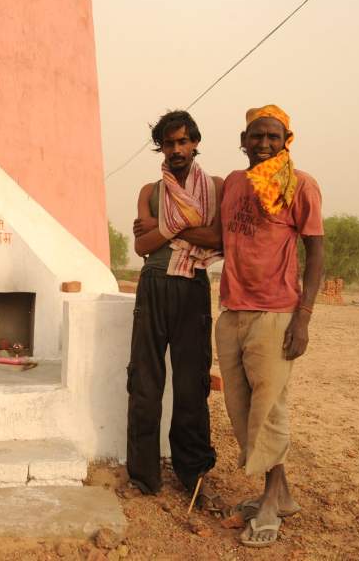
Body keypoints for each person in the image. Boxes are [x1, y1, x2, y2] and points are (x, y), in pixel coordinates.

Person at [215, 105, 324, 547]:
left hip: (277, 313)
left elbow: (316, 252)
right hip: (232, 310)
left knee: (270, 410)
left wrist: (304, 317)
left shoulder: (301, 185)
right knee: (240, 409)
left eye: (273, 137)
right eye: (256, 136)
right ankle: (281, 494)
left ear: (286, 141)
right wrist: (160, 231)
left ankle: (268, 503)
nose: (263, 144)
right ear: (243, 140)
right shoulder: (234, 184)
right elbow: (220, 237)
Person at [126, 110, 223, 504]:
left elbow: (219, 238)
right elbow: (142, 247)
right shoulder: (149, 190)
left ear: (195, 142)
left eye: (184, 141)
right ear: (161, 148)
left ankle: (194, 474)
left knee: (191, 386)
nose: (177, 149)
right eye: (170, 143)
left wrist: (166, 227)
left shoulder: (215, 187)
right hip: (153, 286)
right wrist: (187, 228)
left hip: (192, 289)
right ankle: (143, 476)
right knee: (145, 383)